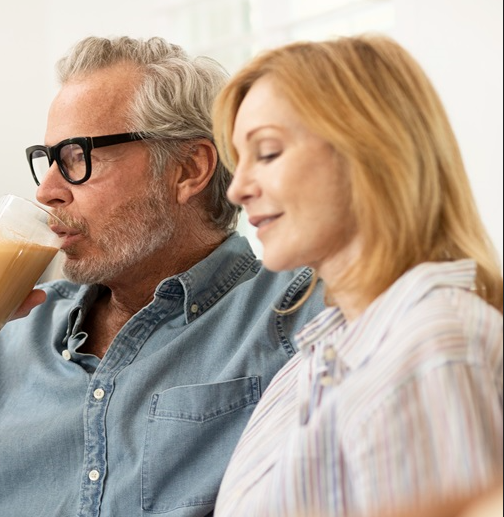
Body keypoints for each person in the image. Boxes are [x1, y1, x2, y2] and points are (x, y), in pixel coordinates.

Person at [0, 35, 324, 517]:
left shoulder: (298, 317)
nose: (47, 190)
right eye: (47, 160)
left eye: (77, 157)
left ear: (188, 169)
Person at [211, 34, 504, 517]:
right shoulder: (314, 361)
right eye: (237, 162)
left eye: (266, 152)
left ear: (369, 151)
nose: (238, 188)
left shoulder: (429, 343)